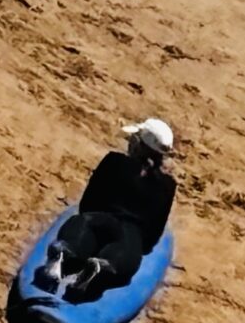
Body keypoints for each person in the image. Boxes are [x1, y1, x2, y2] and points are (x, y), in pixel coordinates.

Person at [38, 119, 177, 301]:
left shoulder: (114, 161)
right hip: (133, 233)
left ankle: (64, 254)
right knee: (124, 252)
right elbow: (152, 237)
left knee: (84, 227)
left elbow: (87, 204)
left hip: (99, 217)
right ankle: (100, 268)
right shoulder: (167, 186)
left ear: (138, 145)